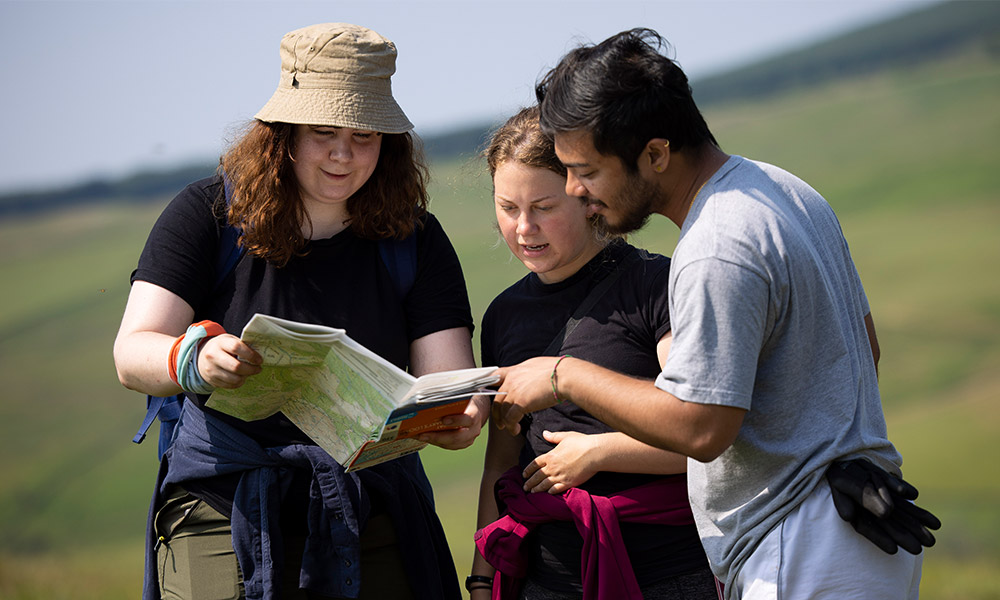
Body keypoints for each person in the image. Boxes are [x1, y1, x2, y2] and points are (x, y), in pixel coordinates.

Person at [491, 29, 940, 599]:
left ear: (655, 153)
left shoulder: (714, 245)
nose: (577, 191)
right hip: (850, 519)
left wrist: (563, 375)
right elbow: (861, 351)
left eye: (588, 170)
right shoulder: (784, 188)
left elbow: (699, 428)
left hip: (799, 550)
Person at [113, 23, 484, 600]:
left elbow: (449, 380)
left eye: (365, 135)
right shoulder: (205, 214)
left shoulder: (417, 239)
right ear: (281, 133)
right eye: (323, 132)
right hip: (221, 505)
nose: (343, 153)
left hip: (372, 509)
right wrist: (197, 360)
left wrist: (459, 418)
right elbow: (132, 351)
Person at [468, 106, 720, 600]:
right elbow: (500, 462)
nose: (523, 228)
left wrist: (599, 453)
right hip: (545, 581)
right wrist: (481, 581)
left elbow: (704, 436)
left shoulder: (656, 287)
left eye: (543, 207)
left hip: (671, 576)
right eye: (508, 208)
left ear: (586, 196)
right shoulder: (503, 315)